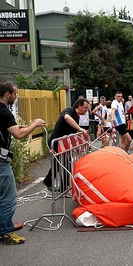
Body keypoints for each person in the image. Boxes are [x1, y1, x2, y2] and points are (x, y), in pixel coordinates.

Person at [0, 81, 46, 245]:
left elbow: (10, 127)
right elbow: (19, 135)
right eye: (15, 94)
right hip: (1, 162)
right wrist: (34, 125)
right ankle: (4, 232)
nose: (16, 96)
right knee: (9, 198)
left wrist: (24, 125)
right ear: (7, 94)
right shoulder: (4, 112)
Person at [43, 97, 90, 190]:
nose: (87, 110)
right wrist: (80, 129)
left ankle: (53, 183)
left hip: (63, 144)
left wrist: (77, 146)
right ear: (79, 106)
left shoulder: (77, 117)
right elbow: (66, 118)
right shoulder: (69, 111)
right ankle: (59, 186)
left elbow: (72, 134)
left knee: (62, 164)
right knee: (63, 164)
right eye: (85, 107)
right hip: (56, 142)